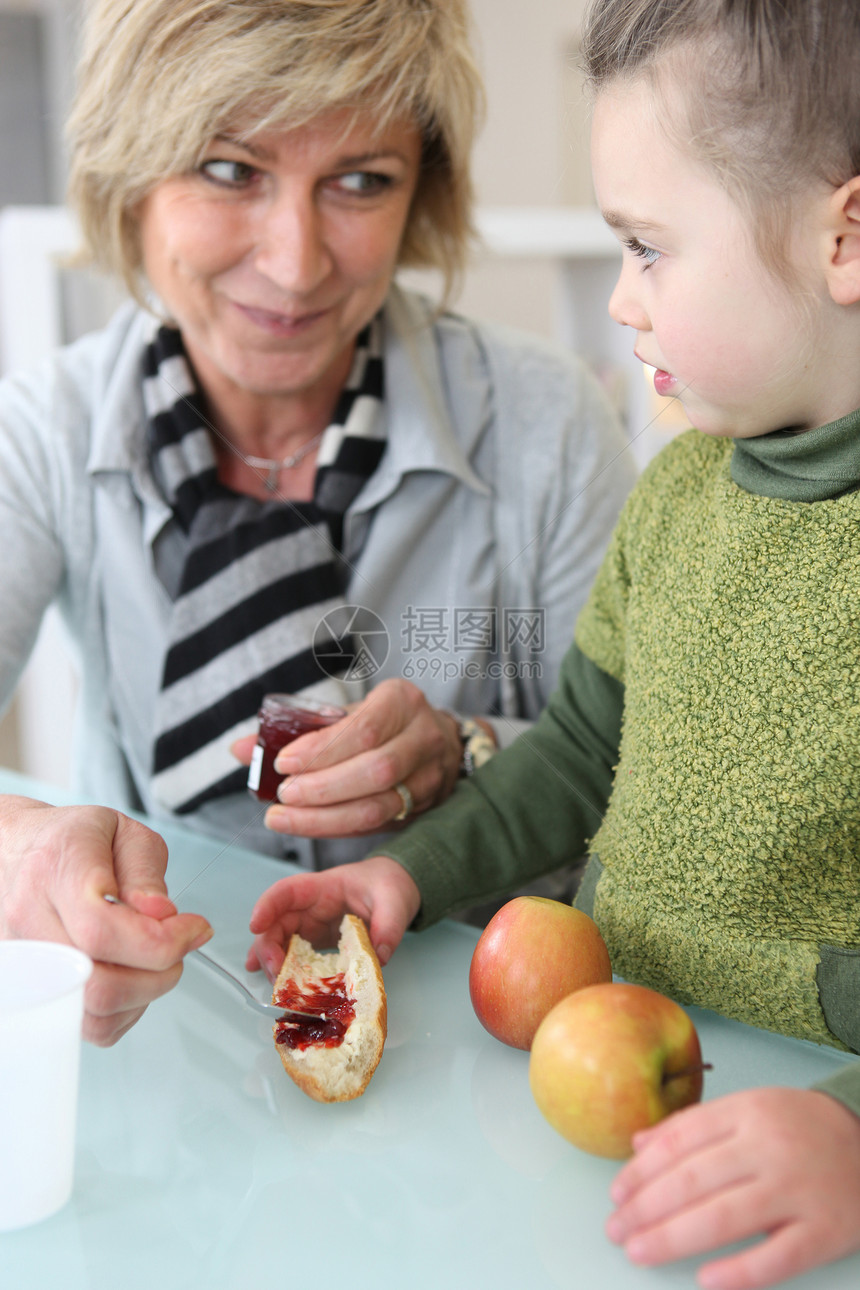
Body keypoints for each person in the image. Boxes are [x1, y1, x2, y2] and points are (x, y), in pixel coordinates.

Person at [247, 1, 860, 1285]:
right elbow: (581, 747)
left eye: (646, 249)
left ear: (842, 238)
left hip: (799, 1133)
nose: (621, 303)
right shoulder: (678, 494)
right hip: (592, 1086)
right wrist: (403, 877)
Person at [0, 0, 636, 1045]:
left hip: (479, 1048)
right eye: (227, 169)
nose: (295, 265)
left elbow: (643, 766)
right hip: (169, 1034)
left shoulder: (544, 425)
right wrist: (22, 848)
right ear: (130, 179)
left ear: (418, 191)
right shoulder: (48, 432)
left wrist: (469, 752)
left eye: (358, 182)